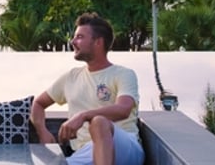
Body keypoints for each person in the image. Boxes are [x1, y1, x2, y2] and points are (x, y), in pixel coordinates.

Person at [31, 13, 144, 165]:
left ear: (98, 42)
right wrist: (42, 131)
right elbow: (38, 103)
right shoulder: (71, 77)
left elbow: (123, 109)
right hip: (86, 152)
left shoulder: (123, 74)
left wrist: (83, 116)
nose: (73, 41)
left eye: (80, 37)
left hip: (123, 147)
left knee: (98, 123)